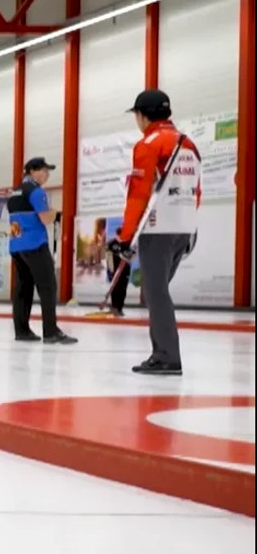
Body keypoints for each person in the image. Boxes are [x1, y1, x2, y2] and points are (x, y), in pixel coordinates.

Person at [112, 89, 201, 376]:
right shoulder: (188, 143)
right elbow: (196, 190)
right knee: (158, 291)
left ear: (142, 115)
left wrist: (125, 236)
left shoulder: (148, 143)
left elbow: (137, 196)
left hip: (159, 227)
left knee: (156, 293)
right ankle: (161, 352)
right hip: (185, 226)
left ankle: (166, 356)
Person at [8, 156, 77, 345]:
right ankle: (51, 331)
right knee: (48, 287)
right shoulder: (37, 192)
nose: (47, 175)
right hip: (35, 244)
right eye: (44, 171)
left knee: (23, 288)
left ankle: (21, 330)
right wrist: (54, 212)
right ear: (32, 171)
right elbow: (46, 219)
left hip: (16, 245)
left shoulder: (14, 192)